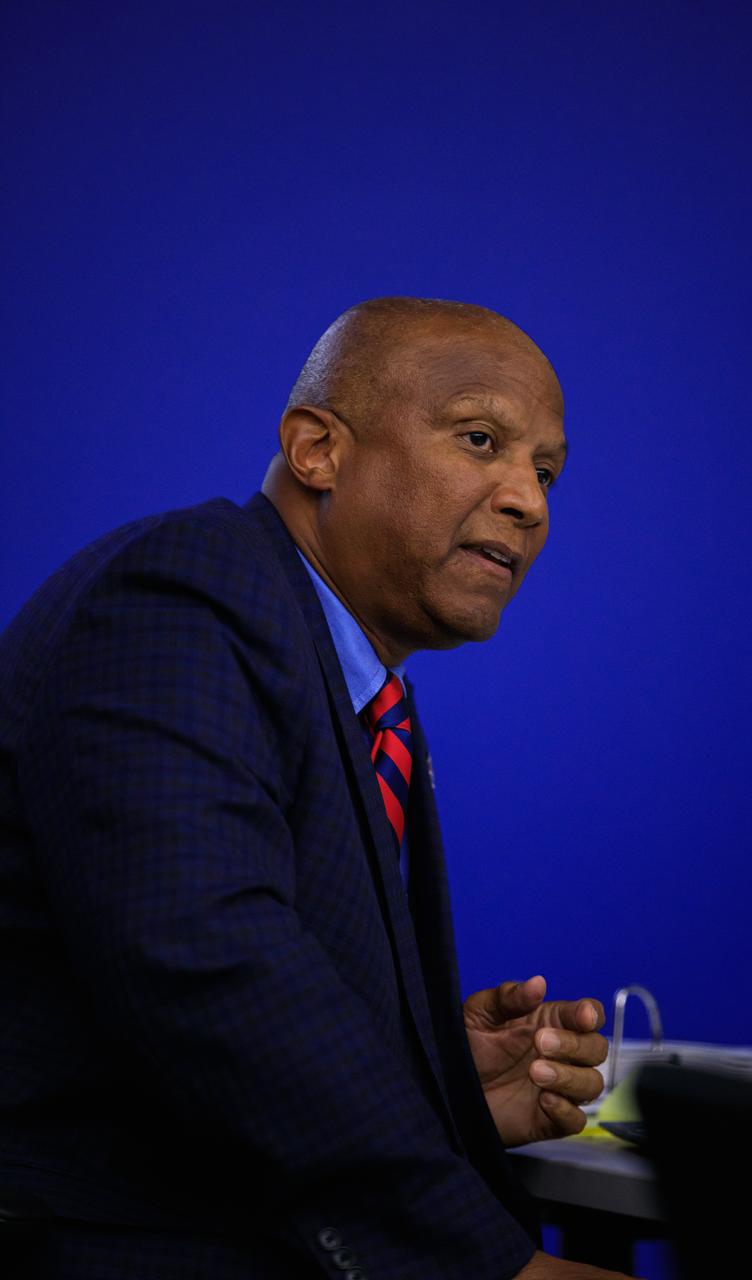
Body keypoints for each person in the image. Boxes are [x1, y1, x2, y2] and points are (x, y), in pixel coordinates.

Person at [0, 297, 627, 1279]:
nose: (528, 501)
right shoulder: (180, 597)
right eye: (479, 439)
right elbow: (212, 972)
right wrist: (482, 1267)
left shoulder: (360, 688)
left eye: (544, 472)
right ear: (317, 450)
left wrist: (439, 1087)